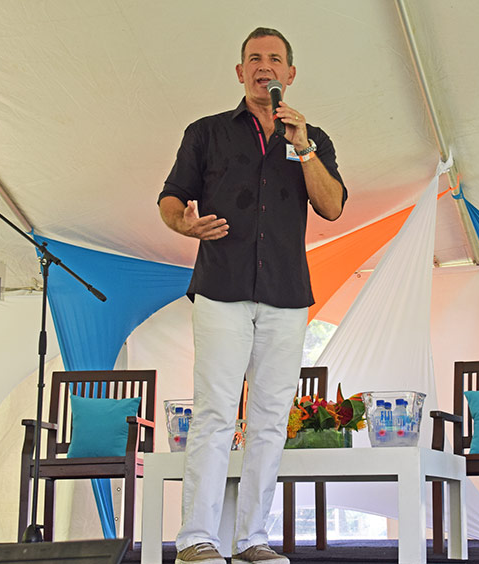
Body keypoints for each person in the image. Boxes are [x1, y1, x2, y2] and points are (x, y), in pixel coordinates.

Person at [158, 27, 347, 564]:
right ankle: (197, 538)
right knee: (216, 412)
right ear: (240, 72)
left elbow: (332, 207)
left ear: (290, 75)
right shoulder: (207, 133)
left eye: (276, 59)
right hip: (222, 287)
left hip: (287, 295)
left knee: (269, 418)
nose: (265, 66)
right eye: (254, 58)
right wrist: (184, 226)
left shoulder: (312, 138)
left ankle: (251, 540)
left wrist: (304, 147)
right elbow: (171, 198)